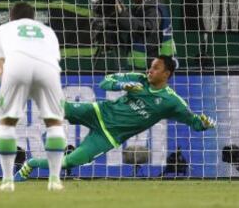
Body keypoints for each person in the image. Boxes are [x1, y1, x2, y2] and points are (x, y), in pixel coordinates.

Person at [14, 55, 215, 181]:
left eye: (155, 68)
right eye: (150, 66)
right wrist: (122, 86)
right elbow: (105, 82)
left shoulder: (172, 102)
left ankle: (30, 164)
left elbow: (194, 122)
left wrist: (204, 124)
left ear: (167, 74)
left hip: (109, 136)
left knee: (71, 162)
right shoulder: (139, 79)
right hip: (99, 112)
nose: (149, 70)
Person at [0, 2, 66, 191]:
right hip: (48, 68)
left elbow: (0, 66)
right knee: (54, 123)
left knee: (7, 123)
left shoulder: (3, 29)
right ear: (33, 18)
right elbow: (54, 59)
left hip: (16, 65)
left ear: (11, 17)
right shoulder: (48, 31)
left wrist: (6, 93)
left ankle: (8, 181)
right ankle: (55, 181)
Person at [116, 0, 177, 70]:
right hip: (149, 65)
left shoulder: (154, 7)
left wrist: (122, 13)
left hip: (157, 66)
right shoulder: (142, 6)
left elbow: (146, 29)